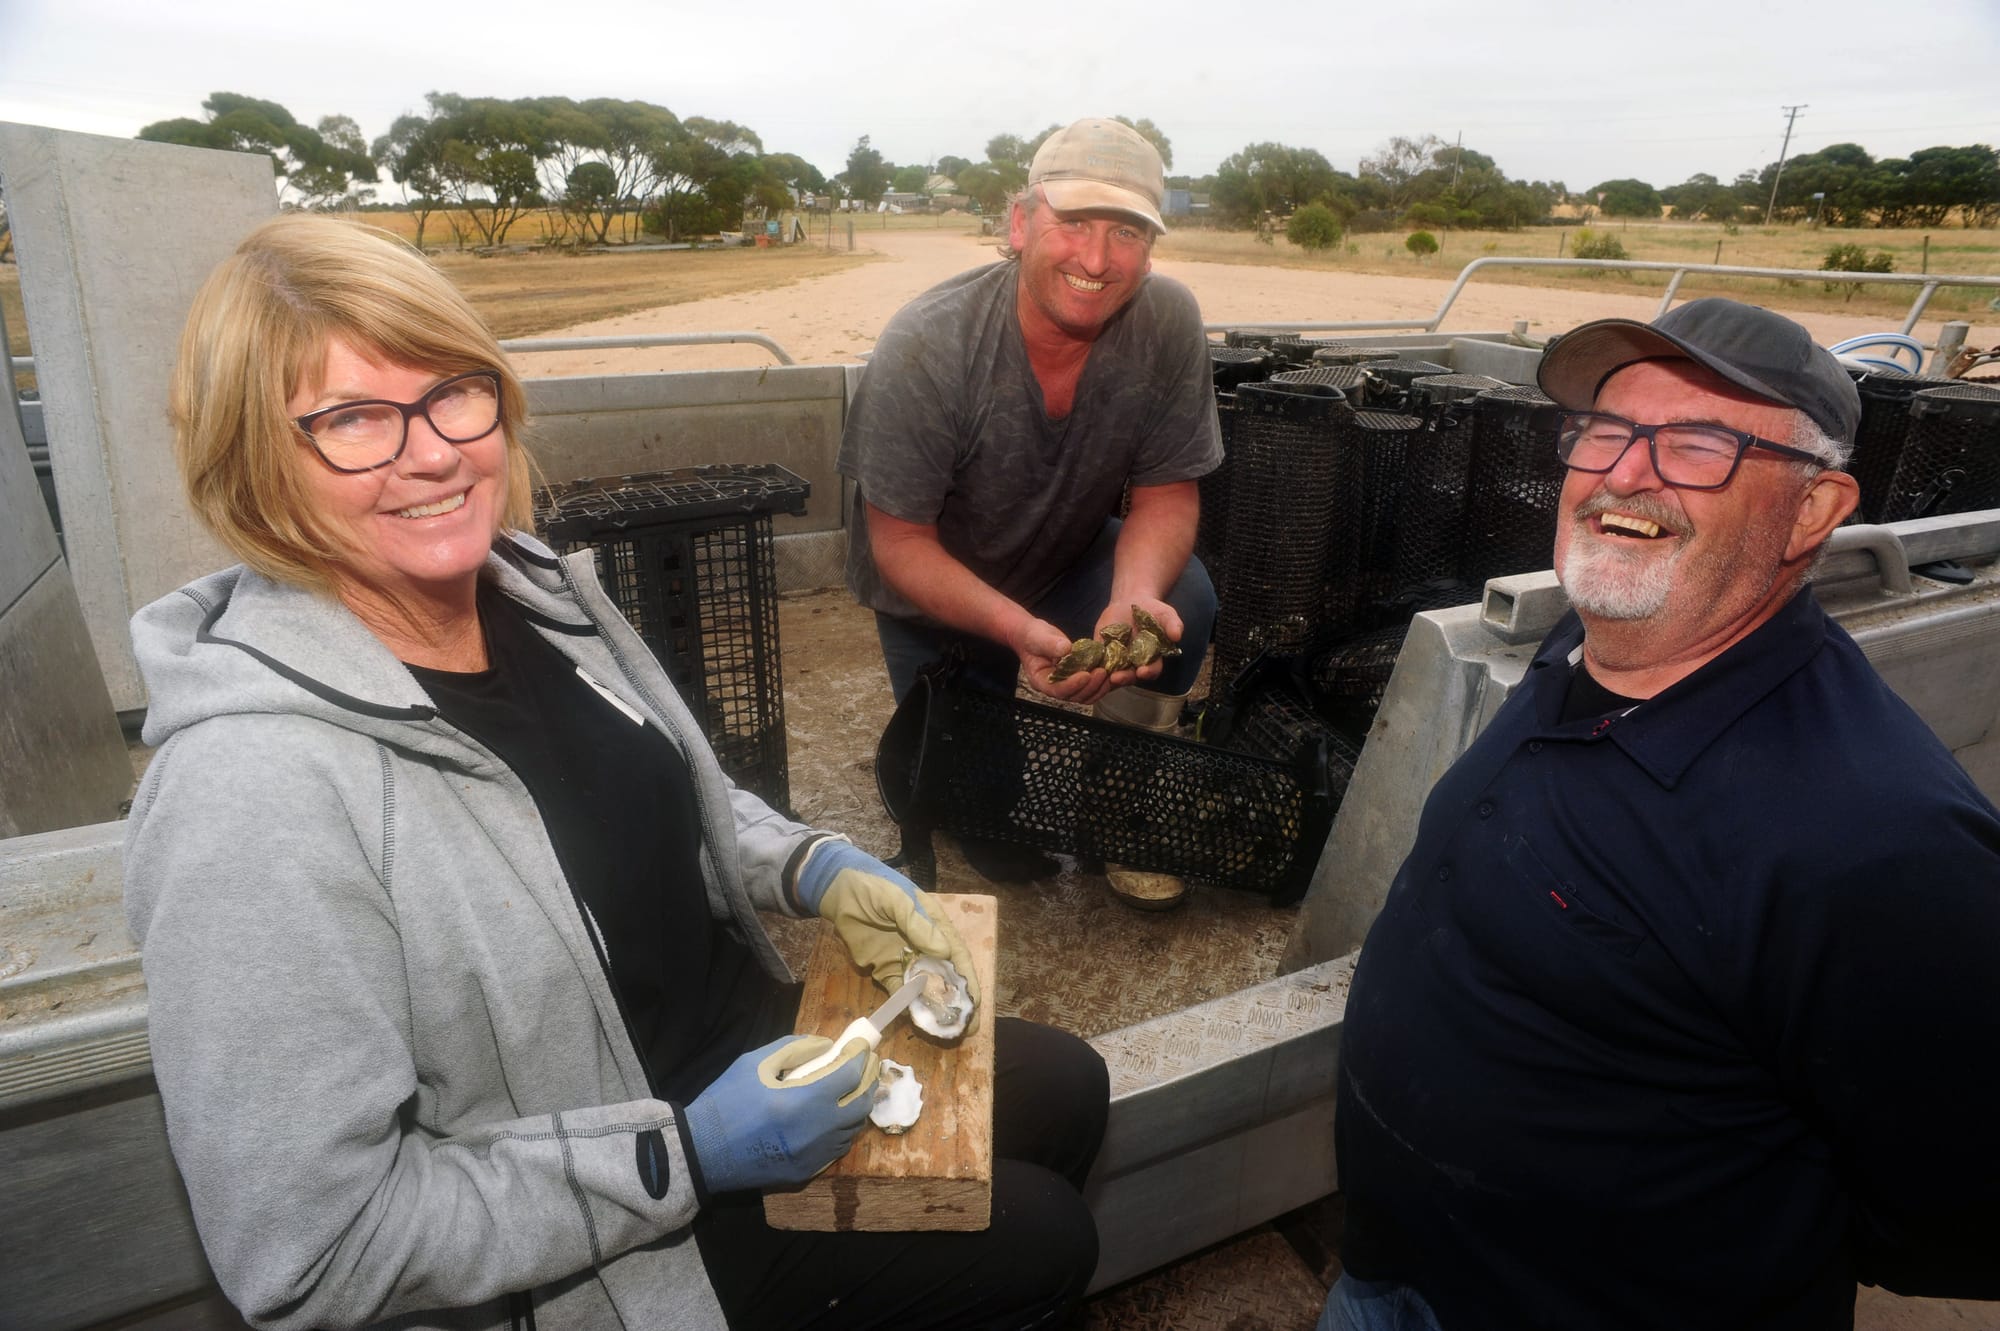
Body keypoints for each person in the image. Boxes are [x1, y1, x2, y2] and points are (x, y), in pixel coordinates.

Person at [123, 215, 1107, 1331]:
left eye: (453, 388)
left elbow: (648, 787)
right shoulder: (246, 795)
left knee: (1064, 1087)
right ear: (255, 466)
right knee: (1040, 1238)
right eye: (351, 419)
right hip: (610, 1218)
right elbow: (310, 1248)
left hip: (735, 1052)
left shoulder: (529, 587)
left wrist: (812, 863)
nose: (435, 450)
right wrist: (681, 1153)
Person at [1324, 298, 2000, 1330]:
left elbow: (1963, 1209)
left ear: (1814, 511)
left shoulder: (1872, 840)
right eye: (1606, 429)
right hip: (1387, 1274)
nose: (1623, 473)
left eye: (1696, 443)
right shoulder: (1597, 636)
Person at [838, 117, 1222, 907]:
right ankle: (967, 775)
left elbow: (1166, 491)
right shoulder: (929, 343)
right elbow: (898, 544)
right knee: (980, 814)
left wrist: (1130, 594)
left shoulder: (1168, 322)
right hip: (935, 584)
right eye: (1074, 223)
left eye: (1126, 232)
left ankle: (1119, 801)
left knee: (1184, 601)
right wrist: (1015, 632)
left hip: (1060, 549)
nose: (1096, 258)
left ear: (1150, 250)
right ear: (1020, 224)